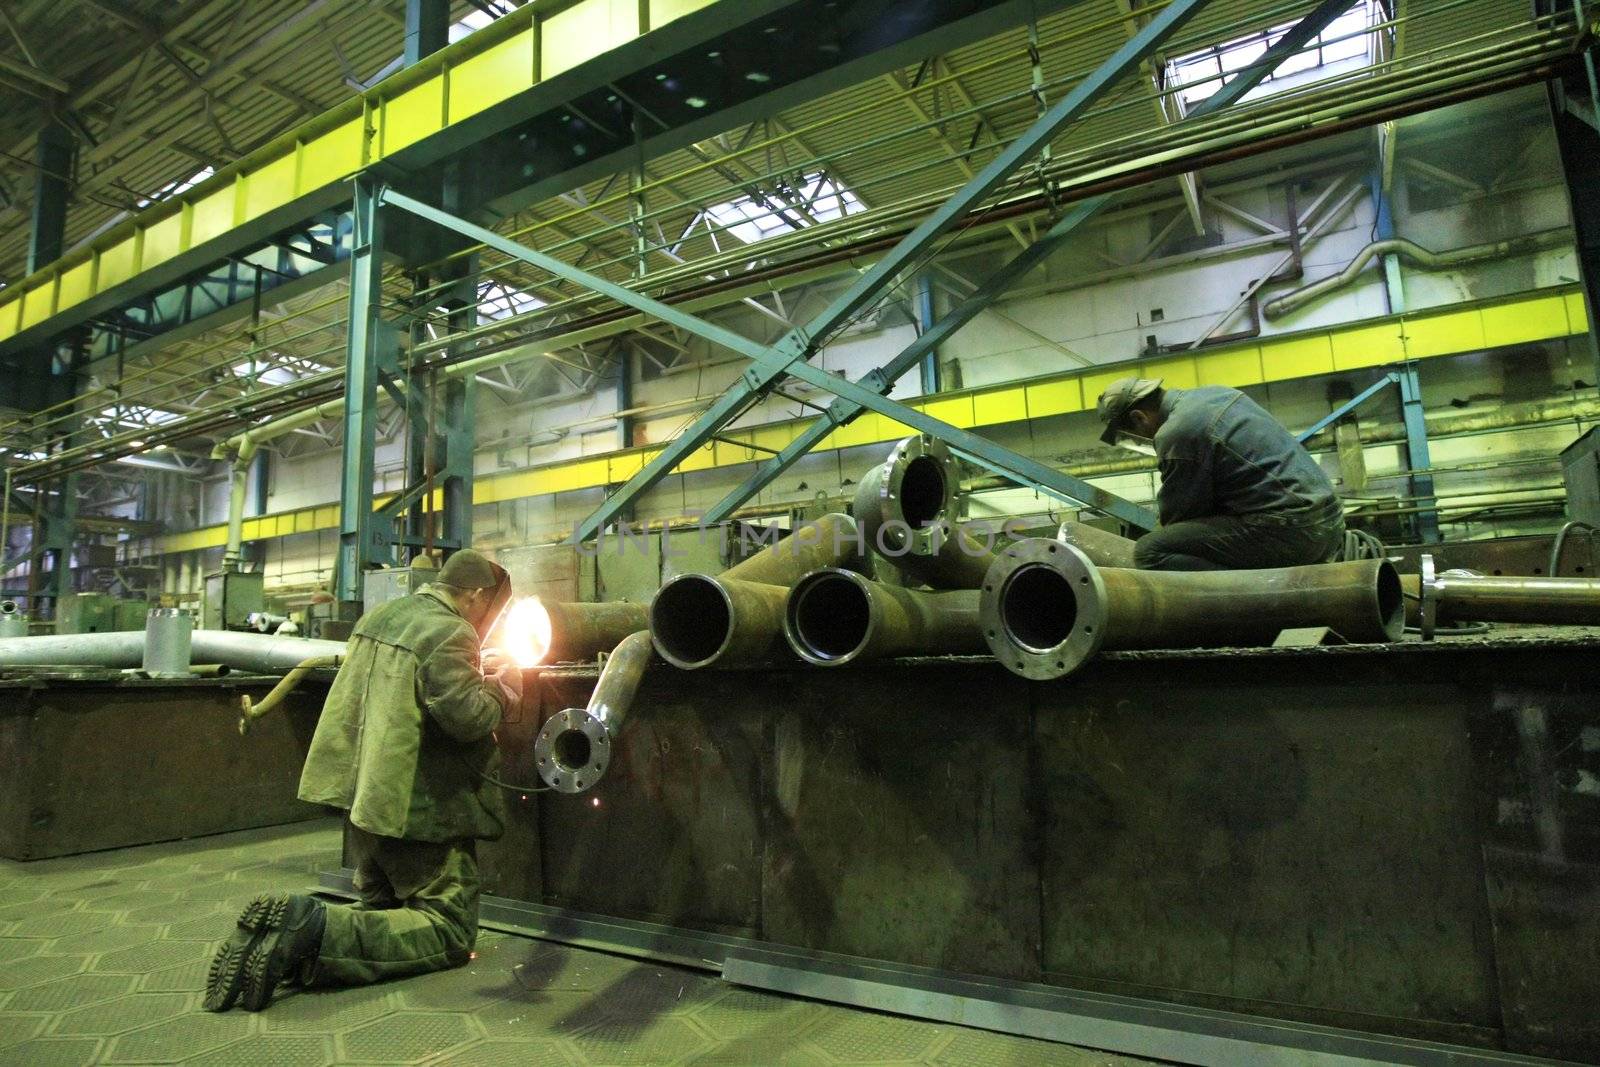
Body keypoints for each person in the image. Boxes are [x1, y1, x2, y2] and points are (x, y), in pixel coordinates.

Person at [205, 549, 521, 1012]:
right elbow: (468, 718)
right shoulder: (448, 630)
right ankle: (308, 928)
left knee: (386, 910)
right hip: (414, 806)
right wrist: (504, 686)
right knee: (448, 927)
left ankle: (285, 940)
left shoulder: (384, 614)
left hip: (364, 797)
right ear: (474, 594)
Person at [1096, 377, 1345, 571]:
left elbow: (1178, 515)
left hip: (1295, 531)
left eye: (1135, 437)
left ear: (1139, 418)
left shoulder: (1177, 432)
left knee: (1149, 551)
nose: (1144, 441)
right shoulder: (1217, 393)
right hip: (1331, 520)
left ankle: (1256, 603)